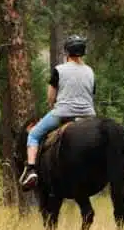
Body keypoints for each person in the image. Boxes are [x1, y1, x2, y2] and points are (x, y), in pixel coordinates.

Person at [20, 34, 96, 191]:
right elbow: (91, 93)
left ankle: (32, 170)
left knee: (33, 134)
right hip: (88, 116)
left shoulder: (59, 70)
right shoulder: (90, 71)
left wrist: (52, 105)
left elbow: (51, 97)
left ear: (67, 52)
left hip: (63, 113)